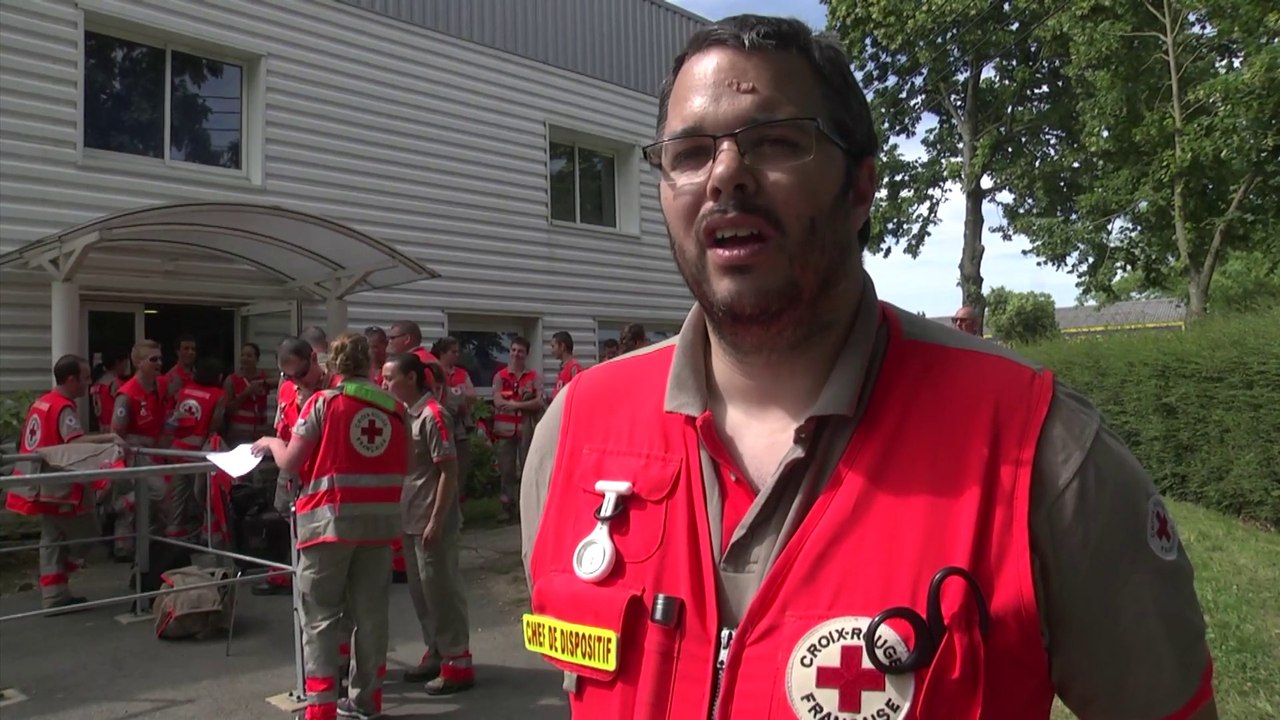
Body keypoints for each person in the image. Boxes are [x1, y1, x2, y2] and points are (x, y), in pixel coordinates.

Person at [520, 15, 1216, 720]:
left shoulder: (1040, 451)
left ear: (859, 188)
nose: (726, 175)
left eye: (776, 142)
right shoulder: (574, 433)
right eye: (691, 153)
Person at [253, 333, 408, 720]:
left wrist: (271, 442)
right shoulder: (396, 407)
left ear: (335, 365)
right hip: (379, 525)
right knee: (371, 617)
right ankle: (366, 701)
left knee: (320, 617)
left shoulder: (323, 403)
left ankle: (320, 709)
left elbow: (290, 461)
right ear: (371, 364)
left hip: (328, 523)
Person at [382, 353, 475, 695]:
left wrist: (437, 518)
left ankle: (458, 661)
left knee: (441, 589)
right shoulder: (405, 415)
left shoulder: (433, 415)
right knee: (421, 592)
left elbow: (448, 472)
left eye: (390, 378)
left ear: (411, 378)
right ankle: (436, 650)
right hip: (411, 516)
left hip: (432, 517)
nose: (384, 384)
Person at [4, 354, 124, 610]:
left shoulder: (42, 402)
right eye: (86, 378)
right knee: (86, 536)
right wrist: (109, 438)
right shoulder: (62, 407)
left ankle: (54, 594)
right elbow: (74, 444)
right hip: (59, 486)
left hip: (37, 483)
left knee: (52, 539)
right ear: (71, 380)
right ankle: (57, 591)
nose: (89, 384)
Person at [110, 340, 167, 561]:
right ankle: (117, 516)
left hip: (154, 452)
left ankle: (141, 547)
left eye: (160, 358)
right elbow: (117, 431)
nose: (159, 363)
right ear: (138, 362)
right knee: (155, 492)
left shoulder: (159, 386)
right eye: (154, 359)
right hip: (134, 454)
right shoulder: (127, 394)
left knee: (145, 504)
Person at [160, 357, 227, 540]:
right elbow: (215, 424)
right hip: (198, 452)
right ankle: (208, 536)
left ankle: (173, 534)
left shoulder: (184, 389)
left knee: (178, 496)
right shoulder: (218, 395)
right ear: (219, 376)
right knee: (204, 496)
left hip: (177, 449)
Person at [491, 336, 540, 523]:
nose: (516, 354)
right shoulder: (500, 376)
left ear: (526, 354)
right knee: (506, 471)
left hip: (525, 431)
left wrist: (514, 405)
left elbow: (539, 401)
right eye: (513, 350)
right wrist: (519, 404)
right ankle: (506, 507)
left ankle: (526, 508)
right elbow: (497, 401)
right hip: (504, 431)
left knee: (527, 470)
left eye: (520, 351)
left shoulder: (533, 377)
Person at [431, 336, 477, 497]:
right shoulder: (434, 371)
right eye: (453, 352)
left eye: (458, 351)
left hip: (460, 428)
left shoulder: (461, 373)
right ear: (442, 352)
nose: (457, 355)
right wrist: (456, 394)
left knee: (461, 468)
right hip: (440, 425)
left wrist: (455, 394)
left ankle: (459, 510)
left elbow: (472, 395)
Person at [223, 342, 273, 447]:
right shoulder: (232, 379)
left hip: (261, 433)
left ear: (257, 359)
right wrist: (245, 394)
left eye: (249, 356)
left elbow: (283, 381)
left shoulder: (264, 377)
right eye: (243, 355)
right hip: (238, 434)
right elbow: (227, 409)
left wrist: (263, 382)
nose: (245, 358)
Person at [89, 348, 129, 433]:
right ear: (118, 362)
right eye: (126, 363)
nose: (127, 367)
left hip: (102, 429)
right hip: (115, 429)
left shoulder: (97, 382)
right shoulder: (116, 383)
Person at [548, 331, 583, 402]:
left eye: (553, 346)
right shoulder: (563, 367)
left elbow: (577, 394)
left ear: (562, 346)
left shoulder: (574, 367)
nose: (551, 351)